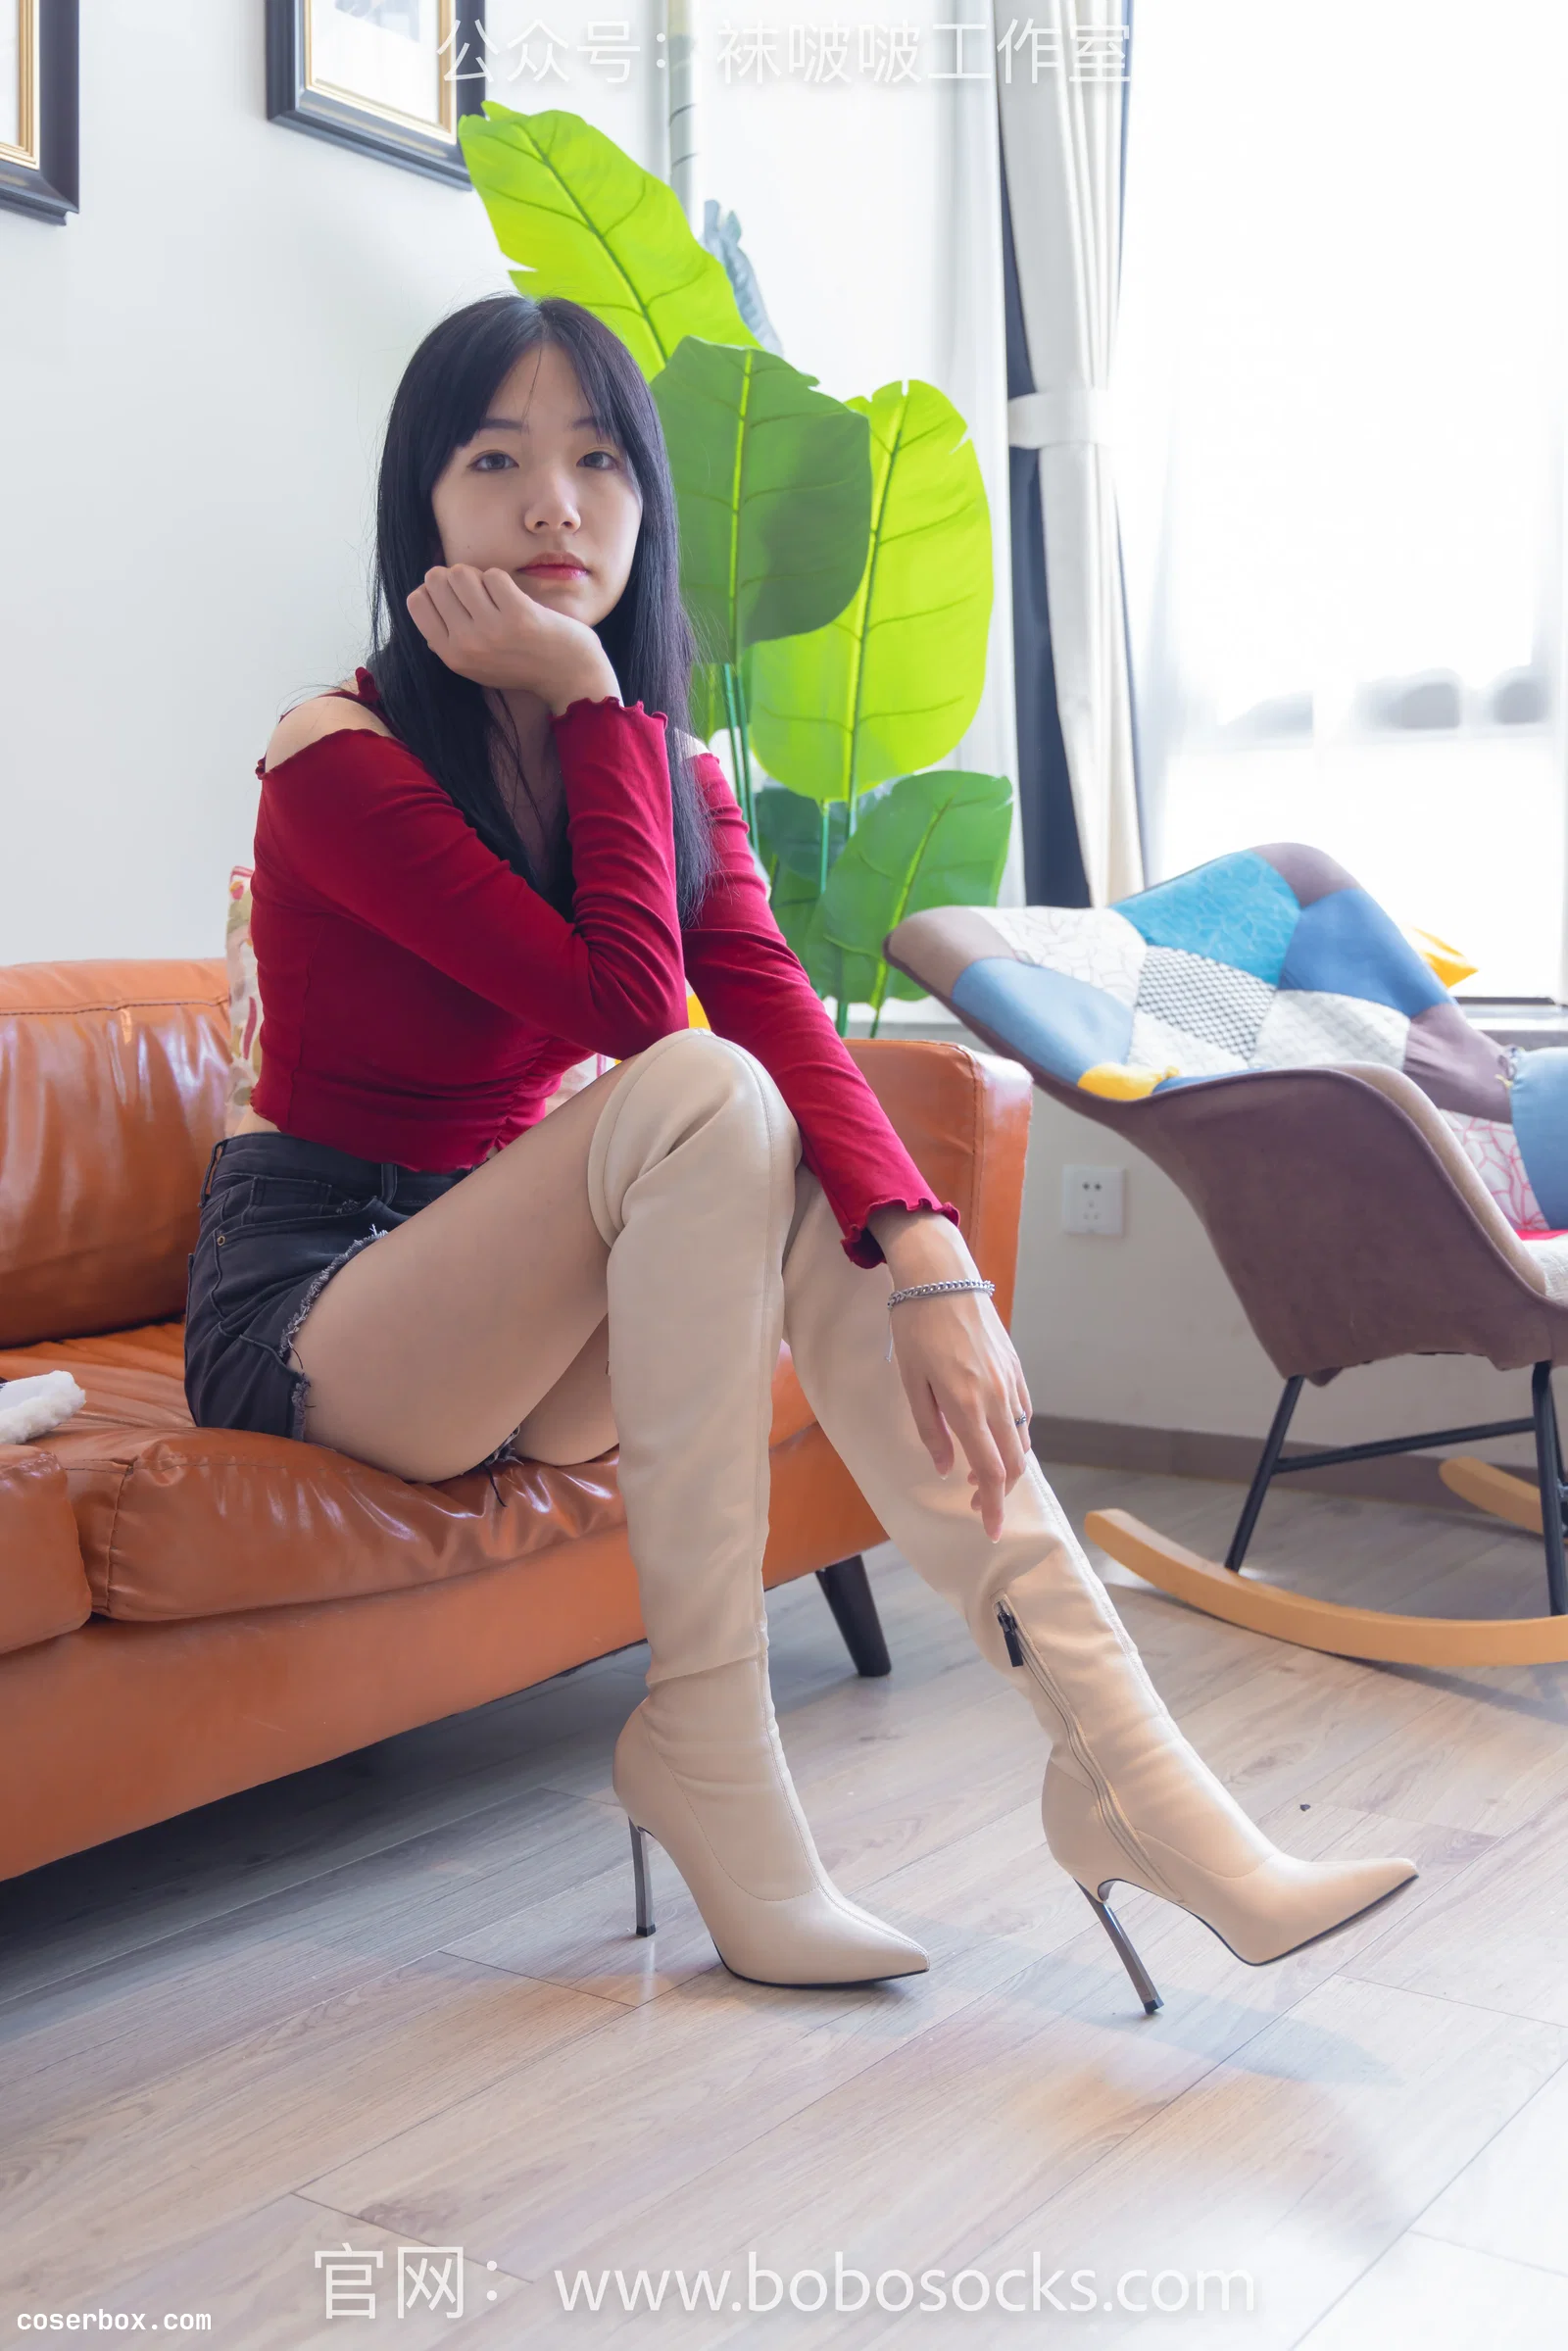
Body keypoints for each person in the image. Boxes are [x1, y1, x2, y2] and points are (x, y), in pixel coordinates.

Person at [184, 291, 1415, 2006]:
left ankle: (1138, 1778)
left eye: (600, 461)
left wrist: (930, 1258)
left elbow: (778, 1011)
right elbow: (638, 1009)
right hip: (325, 1311)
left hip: (519, 1319)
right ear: (424, 510)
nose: (555, 506)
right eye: (497, 461)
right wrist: (592, 692)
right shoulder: (339, 758)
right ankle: (713, 1748)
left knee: (807, 1172)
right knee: (706, 1096)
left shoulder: (662, 772)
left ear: (646, 502)